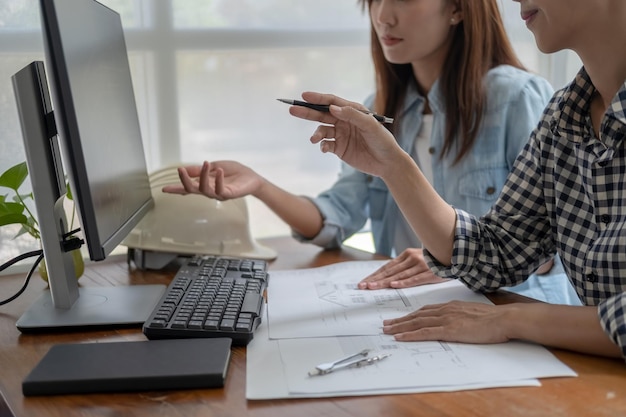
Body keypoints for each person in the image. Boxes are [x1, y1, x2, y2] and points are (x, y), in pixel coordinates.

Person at [165, 0, 578, 304]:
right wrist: (258, 185)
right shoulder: (384, 107)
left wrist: (451, 257)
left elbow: (550, 251)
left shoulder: (518, 97)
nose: (383, 16)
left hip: (510, 310)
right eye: (375, 0)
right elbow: (336, 217)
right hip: (413, 307)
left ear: (457, 9)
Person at [285, 0, 626, 360]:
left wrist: (511, 319)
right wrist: (393, 165)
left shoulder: (518, 95)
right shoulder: (563, 116)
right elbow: (498, 252)